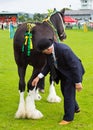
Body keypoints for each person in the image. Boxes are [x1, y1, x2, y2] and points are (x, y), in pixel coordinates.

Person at [32, 38, 85, 125]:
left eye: (43, 51)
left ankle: (68, 118)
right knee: (65, 92)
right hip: (64, 74)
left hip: (73, 74)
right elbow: (48, 66)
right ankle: (75, 108)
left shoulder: (64, 50)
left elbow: (75, 66)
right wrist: (38, 77)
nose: (42, 53)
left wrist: (78, 82)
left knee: (68, 95)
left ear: (49, 49)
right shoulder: (49, 52)